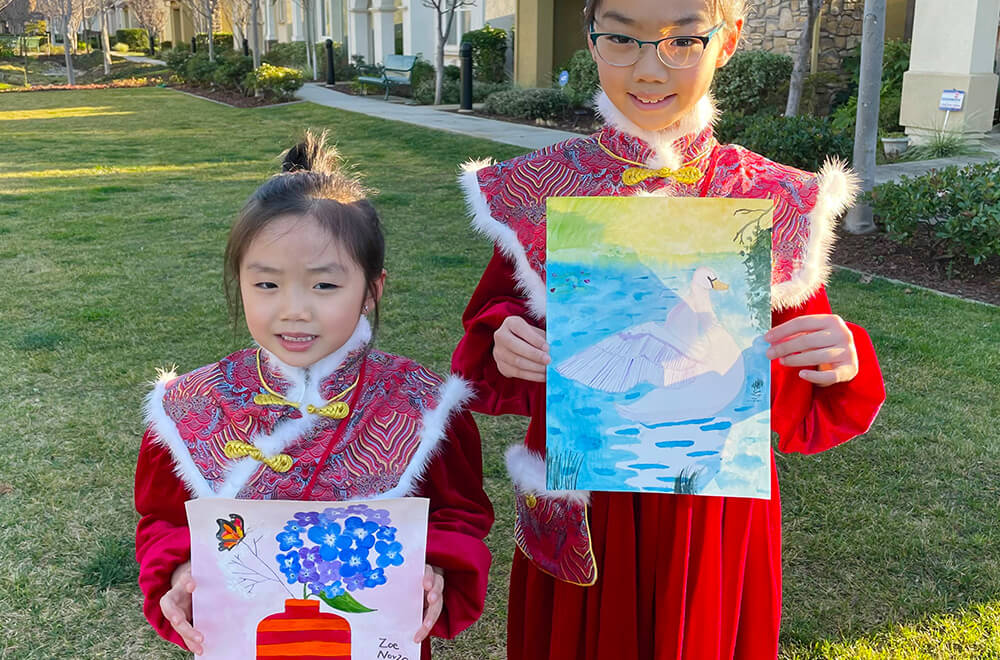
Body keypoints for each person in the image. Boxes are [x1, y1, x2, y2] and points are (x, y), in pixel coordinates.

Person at [451, 0, 886, 657]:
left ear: (729, 39)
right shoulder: (537, 189)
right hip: (582, 493)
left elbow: (793, 368)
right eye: (623, 38)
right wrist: (506, 335)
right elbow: (491, 323)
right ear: (591, 38)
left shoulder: (770, 196)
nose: (651, 67)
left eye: (683, 40)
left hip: (706, 501)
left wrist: (834, 355)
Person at [135, 132, 493, 658]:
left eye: (324, 285)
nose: (294, 309)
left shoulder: (423, 407)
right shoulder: (190, 407)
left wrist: (434, 564)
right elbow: (163, 521)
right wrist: (180, 570)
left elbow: (458, 516)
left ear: (372, 289)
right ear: (239, 282)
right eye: (267, 285)